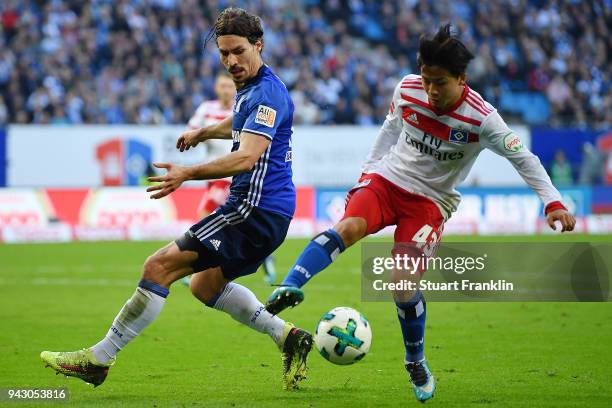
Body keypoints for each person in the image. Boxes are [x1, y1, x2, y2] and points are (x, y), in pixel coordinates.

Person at [265, 24, 576, 402]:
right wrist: (367, 172)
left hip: (430, 202)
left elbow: (523, 158)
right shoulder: (408, 88)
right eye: (427, 79)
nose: (430, 89)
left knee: (401, 283)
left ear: (462, 79)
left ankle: (415, 360)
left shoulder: (483, 119)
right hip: (387, 181)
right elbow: (389, 129)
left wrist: (553, 201)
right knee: (348, 226)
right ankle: (293, 283)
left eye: (440, 82)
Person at [41, 8, 312, 391]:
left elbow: (247, 156)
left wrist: (186, 172)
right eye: (223, 54)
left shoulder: (266, 92)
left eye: (237, 51)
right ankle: (288, 336)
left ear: (258, 45)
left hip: (254, 210)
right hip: (267, 212)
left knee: (158, 267)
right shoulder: (253, 88)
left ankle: (99, 359)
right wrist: (204, 132)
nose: (231, 61)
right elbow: (240, 122)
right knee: (204, 287)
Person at [186, 72, 277, 285]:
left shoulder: (241, 107)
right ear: (216, 88)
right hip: (212, 171)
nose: (226, 90)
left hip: (231, 173)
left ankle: (197, 264)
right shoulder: (206, 108)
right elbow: (192, 129)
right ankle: (264, 257)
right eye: (222, 86)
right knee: (236, 223)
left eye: (229, 86)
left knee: (205, 213)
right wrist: (200, 136)